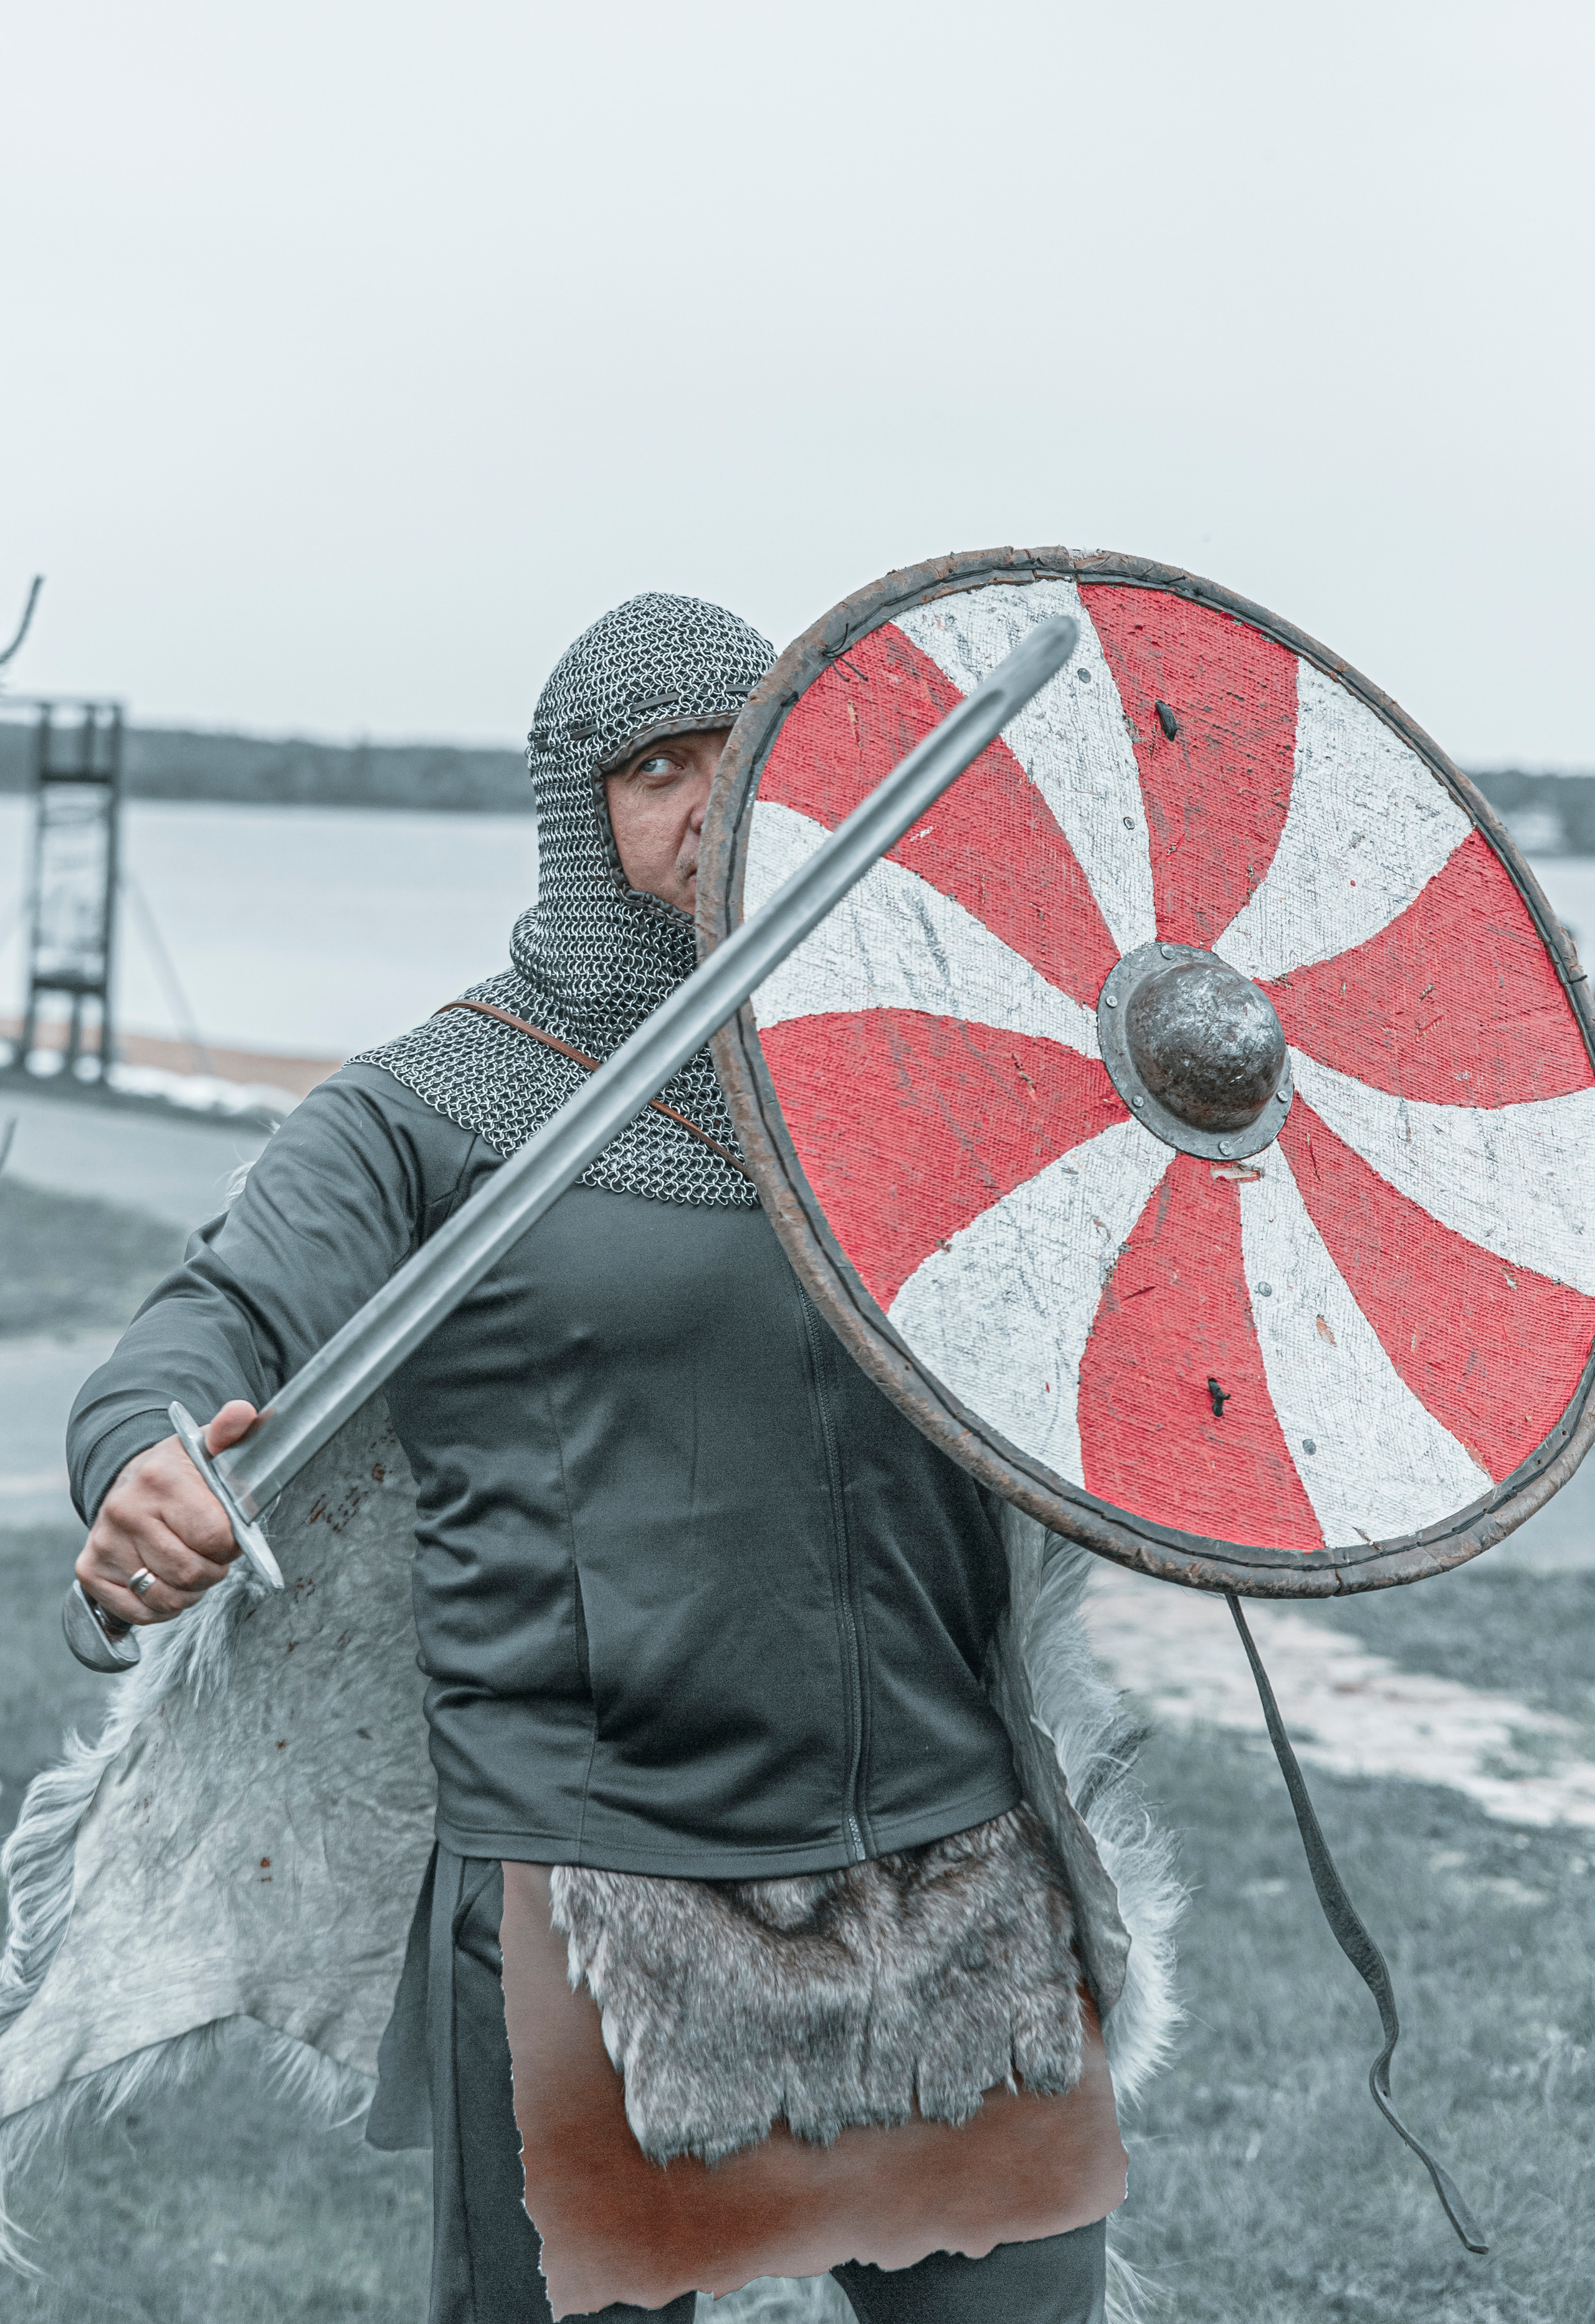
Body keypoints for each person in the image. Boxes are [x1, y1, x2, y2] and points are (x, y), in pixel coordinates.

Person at [69, 593, 1135, 2324]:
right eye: (660, 770)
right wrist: (148, 1452)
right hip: (592, 1897)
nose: (713, 802)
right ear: (580, 813)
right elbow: (214, 1316)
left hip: (951, 1875)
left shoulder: (917, 1093)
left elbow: (1145, 1308)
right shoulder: (431, 1108)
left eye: (750, 755)